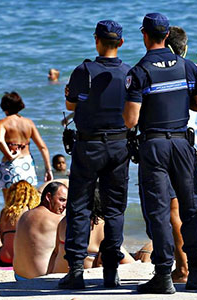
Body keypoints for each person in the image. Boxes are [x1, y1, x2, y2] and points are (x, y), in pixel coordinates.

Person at [123, 13, 197, 294]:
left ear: (145, 35)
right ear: (167, 35)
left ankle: (163, 275)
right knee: (190, 207)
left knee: (159, 210)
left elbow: (130, 120)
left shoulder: (139, 71)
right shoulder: (188, 67)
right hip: (183, 145)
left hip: (154, 145)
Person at [58, 20, 130, 290]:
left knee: (79, 206)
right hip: (119, 145)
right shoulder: (128, 72)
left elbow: (70, 103)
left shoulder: (83, 70)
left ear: (96, 40)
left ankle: (76, 270)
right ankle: (111, 271)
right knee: (114, 208)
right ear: (121, 43)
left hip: (88, 144)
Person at [164, 25, 197, 283]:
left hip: (176, 142)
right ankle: (192, 265)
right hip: (195, 146)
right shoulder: (196, 71)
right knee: (189, 206)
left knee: (174, 207)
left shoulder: (167, 69)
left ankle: (183, 266)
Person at [49, 187, 134, 273]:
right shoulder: (102, 227)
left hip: (57, 276)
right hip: (82, 278)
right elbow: (130, 263)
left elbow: (56, 252)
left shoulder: (64, 221)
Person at [0, 91, 53, 199]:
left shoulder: (2, 123)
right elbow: (42, 147)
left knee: (10, 203)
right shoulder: (28, 123)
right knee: (28, 201)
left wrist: (9, 155)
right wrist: (48, 169)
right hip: (27, 165)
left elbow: (0, 140)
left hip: (11, 165)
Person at [13, 181, 67, 280]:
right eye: (62, 200)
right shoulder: (58, 220)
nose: (65, 205)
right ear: (48, 197)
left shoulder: (24, 216)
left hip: (18, 276)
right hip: (40, 279)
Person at [0, 180, 40, 265]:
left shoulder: (5, 212)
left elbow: (2, 238)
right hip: (23, 258)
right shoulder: (31, 212)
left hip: (5, 256)